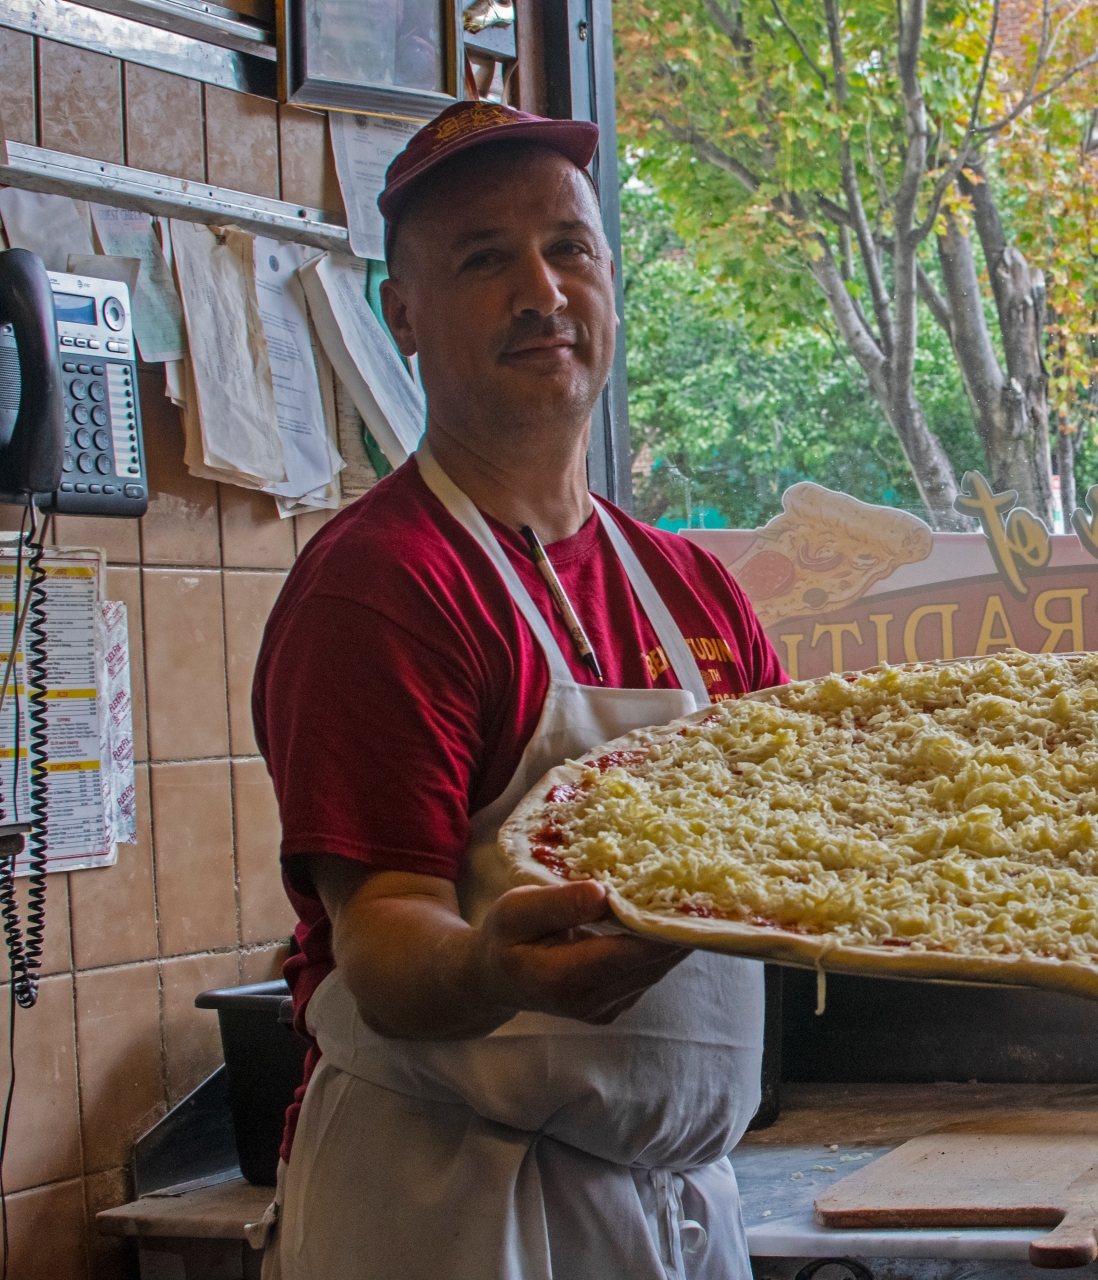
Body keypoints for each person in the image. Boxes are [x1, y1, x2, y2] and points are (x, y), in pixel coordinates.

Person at [253, 100, 784, 1280]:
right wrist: (491, 966)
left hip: (680, 1203)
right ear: (403, 315)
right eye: (485, 259)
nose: (542, 291)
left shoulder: (693, 591)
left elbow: (803, 839)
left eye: (570, 247)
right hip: (449, 1204)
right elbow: (381, 931)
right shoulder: (383, 586)